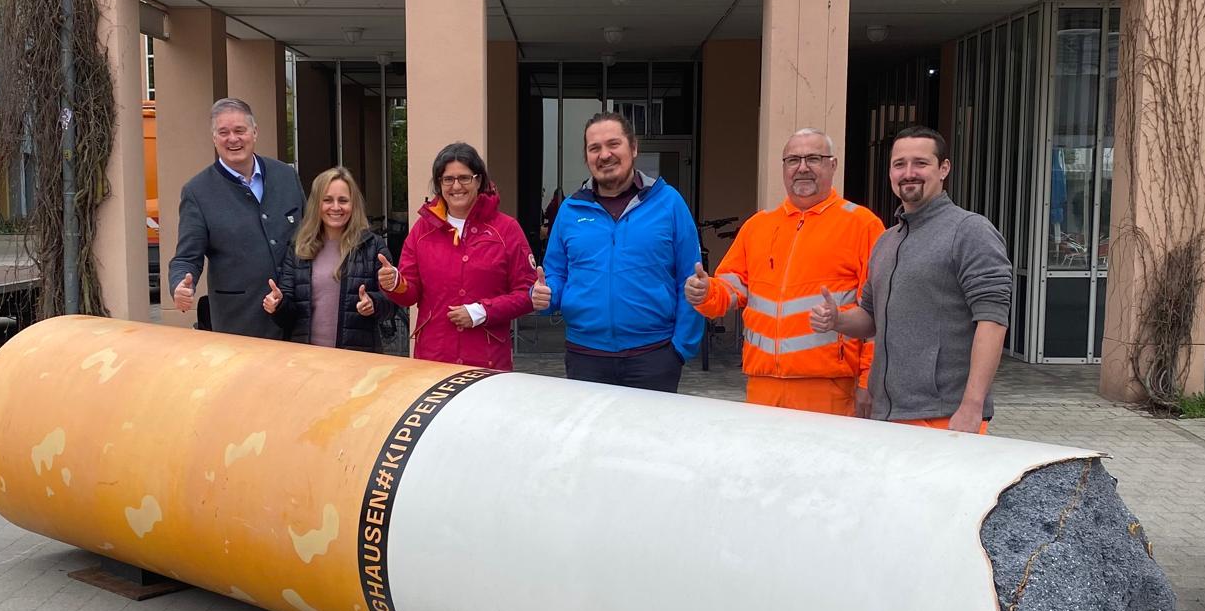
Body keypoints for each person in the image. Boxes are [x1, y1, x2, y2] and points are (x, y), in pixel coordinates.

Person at [809, 126, 1011, 432]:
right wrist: (837, 320)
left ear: (944, 169)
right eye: (899, 164)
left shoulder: (970, 231)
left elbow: (993, 321)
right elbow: (870, 319)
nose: (908, 173)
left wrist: (972, 405)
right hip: (888, 414)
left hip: (946, 417)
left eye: (921, 163)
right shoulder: (887, 242)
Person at [684, 129, 885, 415]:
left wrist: (869, 381)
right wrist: (706, 293)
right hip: (763, 387)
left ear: (833, 165)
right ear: (784, 168)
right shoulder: (758, 226)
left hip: (830, 390)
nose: (802, 167)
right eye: (793, 160)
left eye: (813, 158)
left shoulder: (862, 225)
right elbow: (730, 289)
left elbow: (880, 313)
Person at [541, 111, 703, 393]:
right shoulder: (570, 210)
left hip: (654, 356)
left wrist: (680, 349)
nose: (605, 155)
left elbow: (691, 279)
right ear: (587, 156)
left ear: (634, 148)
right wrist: (547, 295)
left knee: (649, 438)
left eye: (613, 144)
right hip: (585, 357)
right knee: (590, 439)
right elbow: (556, 273)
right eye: (595, 148)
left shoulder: (669, 203)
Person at [378, 142, 542, 370]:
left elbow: (527, 294)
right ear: (439, 184)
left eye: (464, 178)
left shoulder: (506, 229)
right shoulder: (422, 231)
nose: (457, 186)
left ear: (479, 180)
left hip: (488, 359)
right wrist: (395, 283)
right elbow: (410, 293)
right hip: (433, 357)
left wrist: (481, 311)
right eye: (448, 179)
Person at [168, 98, 305, 339]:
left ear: (255, 132)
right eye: (224, 132)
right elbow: (187, 258)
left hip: (299, 318)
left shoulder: (286, 177)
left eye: (240, 130)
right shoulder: (197, 192)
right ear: (214, 138)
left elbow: (312, 235)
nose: (233, 139)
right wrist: (180, 284)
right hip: (240, 324)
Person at [261, 166, 391, 352]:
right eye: (328, 200)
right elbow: (289, 316)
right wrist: (278, 305)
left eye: (343, 200)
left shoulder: (372, 246)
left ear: (353, 204)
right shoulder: (299, 248)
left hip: (357, 360)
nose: (336, 207)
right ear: (316, 205)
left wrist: (374, 304)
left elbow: (392, 303)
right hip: (308, 360)